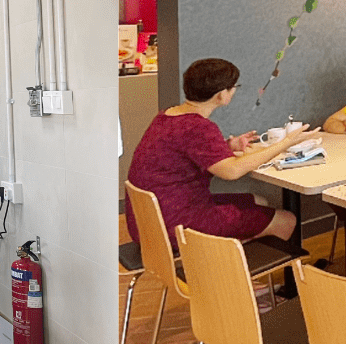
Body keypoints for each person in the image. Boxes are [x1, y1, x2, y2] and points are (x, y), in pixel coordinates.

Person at [125, 58, 317, 248]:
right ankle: (229, 272)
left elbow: (187, 150)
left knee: (259, 201)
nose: (234, 91)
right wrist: (286, 143)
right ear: (220, 95)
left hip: (149, 220)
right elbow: (231, 171)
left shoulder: (167, 115)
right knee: (286, 220)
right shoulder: (198, 127)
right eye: (233, 87)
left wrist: (228, 145)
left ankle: (232, 268)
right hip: (176, 224)